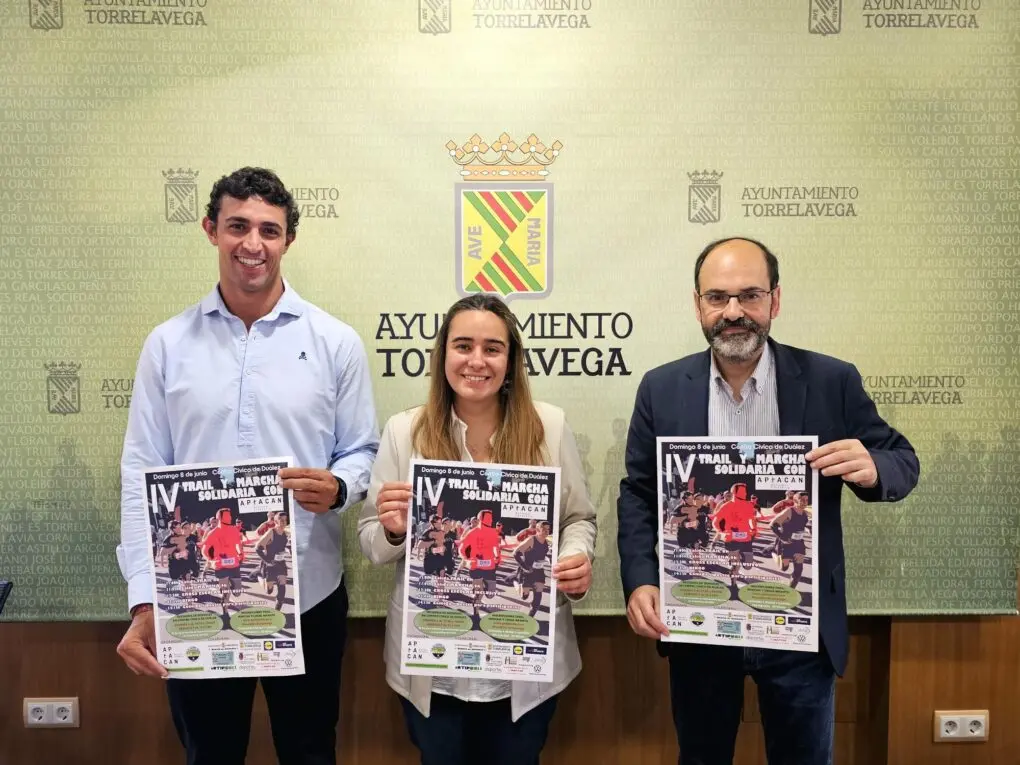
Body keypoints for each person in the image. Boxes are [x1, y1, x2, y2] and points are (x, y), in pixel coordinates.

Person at [617, 237, 920, 765]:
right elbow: (639, 493)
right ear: (698, 305)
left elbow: (902, 460)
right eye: (718, 297)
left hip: (798, 625)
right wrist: (641, 579)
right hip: (700, 618)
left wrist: (874, 468)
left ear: (774, 300)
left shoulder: (831, 380)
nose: (733, 311)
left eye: (749, 295)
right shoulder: (661, 388)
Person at [114, 166, 380, 765]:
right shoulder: (168, 344)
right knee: (210, 753)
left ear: (289, 240)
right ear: (211, 230)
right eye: (237, 226)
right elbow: (141, 474)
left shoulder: (335, 341)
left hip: (308, 592)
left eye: (269, 230)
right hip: (194, 595)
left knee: (310, 753)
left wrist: (340, 486)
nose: (252, 243)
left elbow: (363, 449)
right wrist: (145, 598)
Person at [358, 293, 597, 765]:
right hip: (434, 663)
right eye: (463, 345)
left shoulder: (550, 426)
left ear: (511, 361)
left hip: (523, 661)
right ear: (443, 354)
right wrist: (393, 530)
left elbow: (577, 519)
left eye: (493, 348)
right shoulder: (404, 431)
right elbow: (371, 542)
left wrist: (576, 556)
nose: (476, 361)